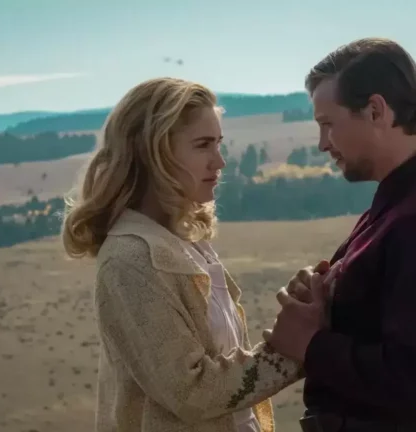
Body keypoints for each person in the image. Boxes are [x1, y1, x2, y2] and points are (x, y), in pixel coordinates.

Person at [262, 38, 416, 432]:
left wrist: (310, 344)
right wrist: (326, 302)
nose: (322, 144)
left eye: (328, 124)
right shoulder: (406, 200)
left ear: (375, 111)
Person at [61, 77, 303, 432]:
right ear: (153, 153)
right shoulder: (130, 259)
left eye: (219, 143)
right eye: (203, 145)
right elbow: (192, 392)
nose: (219, 161)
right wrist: (288, 352)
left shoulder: (186, 243)